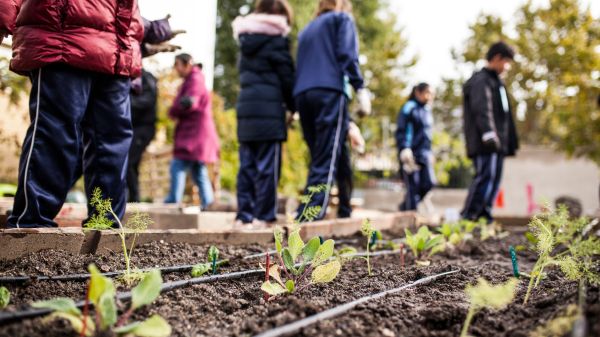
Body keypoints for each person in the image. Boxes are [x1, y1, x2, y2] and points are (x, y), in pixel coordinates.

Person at [0, 1, 172, 228]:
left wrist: (145, 31)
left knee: (112, 143)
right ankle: (32, 225)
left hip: (117, 50)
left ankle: (105, 226)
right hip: (63, 38)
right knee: (57, 134)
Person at [294, 0, 371, 222]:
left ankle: (345, 207)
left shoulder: (307, 29)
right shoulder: (342, 19)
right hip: (329, 91)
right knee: (325, 157)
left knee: (332, 152)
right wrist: (360, 86)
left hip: (303, 95)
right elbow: (347, 54)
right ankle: (309, 215)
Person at [232, 0, 295, 226]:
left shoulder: (245, 40)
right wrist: (294, 106)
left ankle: (244, 216)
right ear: (279, 15)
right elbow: (287, 78)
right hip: (269, 111)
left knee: (247, 165)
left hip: (246, 109)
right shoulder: (277, 40)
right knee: (267, 167)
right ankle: (264, 216)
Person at [461, 41, 519, 223]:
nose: (507, 67)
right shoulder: (481, 80)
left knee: (494, 180)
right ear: (496, 58)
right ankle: (469, 216)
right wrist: (488, 133)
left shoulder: (496, 82)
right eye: (506, 62)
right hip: (485, 141)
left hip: (497, 142)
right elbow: (482, 108)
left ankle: (484, 215)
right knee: (485, 177)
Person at [165, 54, 220, 209]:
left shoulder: (195, 79)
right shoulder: (193, 79)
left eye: (178, 65)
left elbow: (190, 103)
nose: (176, 69)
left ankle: (173, 200)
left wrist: (175, 109)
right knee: (197, 168)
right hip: (197, 132)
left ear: (187, 64)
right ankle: (208, 202)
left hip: (194, 133)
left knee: (178, 164)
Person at [396, 83, 436, 211]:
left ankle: (404, 207)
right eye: (427, 93)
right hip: (411, 154)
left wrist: (430, 152)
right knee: (413, 186)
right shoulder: (409, 107)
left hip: (424, 154)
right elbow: (403, 129)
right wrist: (404, 148)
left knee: (429, 183)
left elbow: (428, 135)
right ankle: (410, 216)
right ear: (418, 92)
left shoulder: (427, 110)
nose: (429, 96)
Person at [127, 69, 158, 203]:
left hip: (143, 127)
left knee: (129, 162)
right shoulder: (132, 76)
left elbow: (148, 100)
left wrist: (125, 101)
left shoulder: (146, 77)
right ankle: (133, 198)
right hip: (134, 127)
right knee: (132, 163)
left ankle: (134, 199)